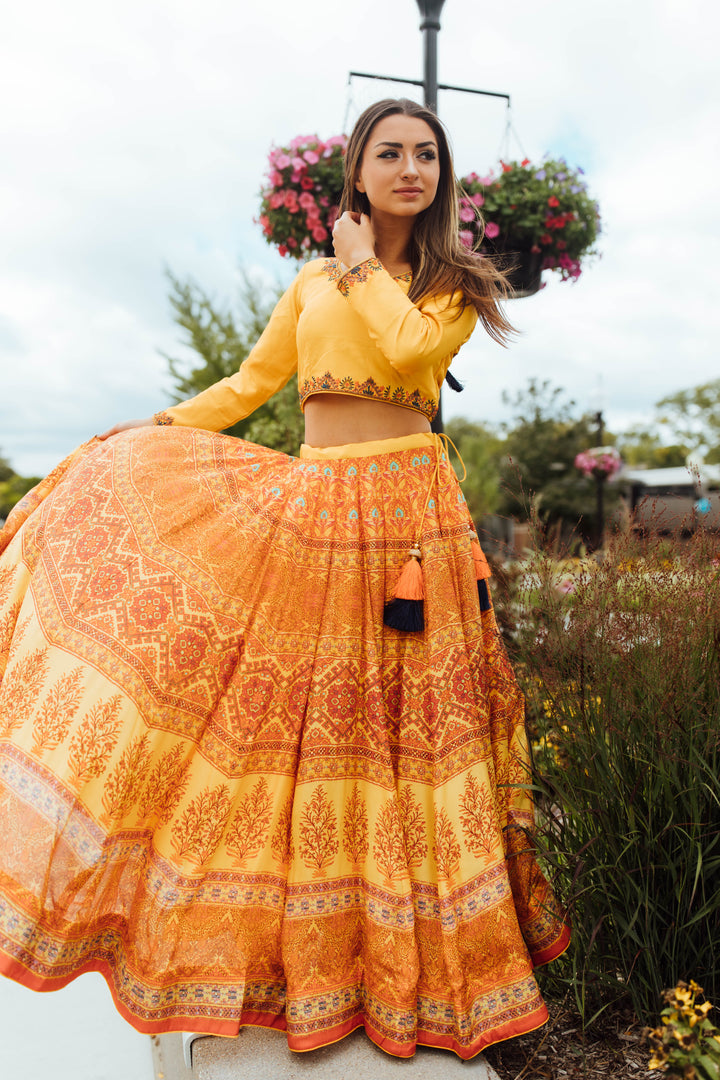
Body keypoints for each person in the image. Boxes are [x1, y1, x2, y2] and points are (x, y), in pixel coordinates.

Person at [0, 98, 569, 1060]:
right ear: (357, 171)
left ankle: (412, 959)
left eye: (426, 155)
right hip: (316, 512)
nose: (409, 168)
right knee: (304, 730)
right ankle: (307, 950)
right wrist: (153, 430)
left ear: (442, 176)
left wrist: (357, 264)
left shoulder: (454, 283)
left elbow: (411, 351)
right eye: (389, 152)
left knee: (404, 735)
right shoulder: (310, 284)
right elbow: (248, 387)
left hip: (408, 524)